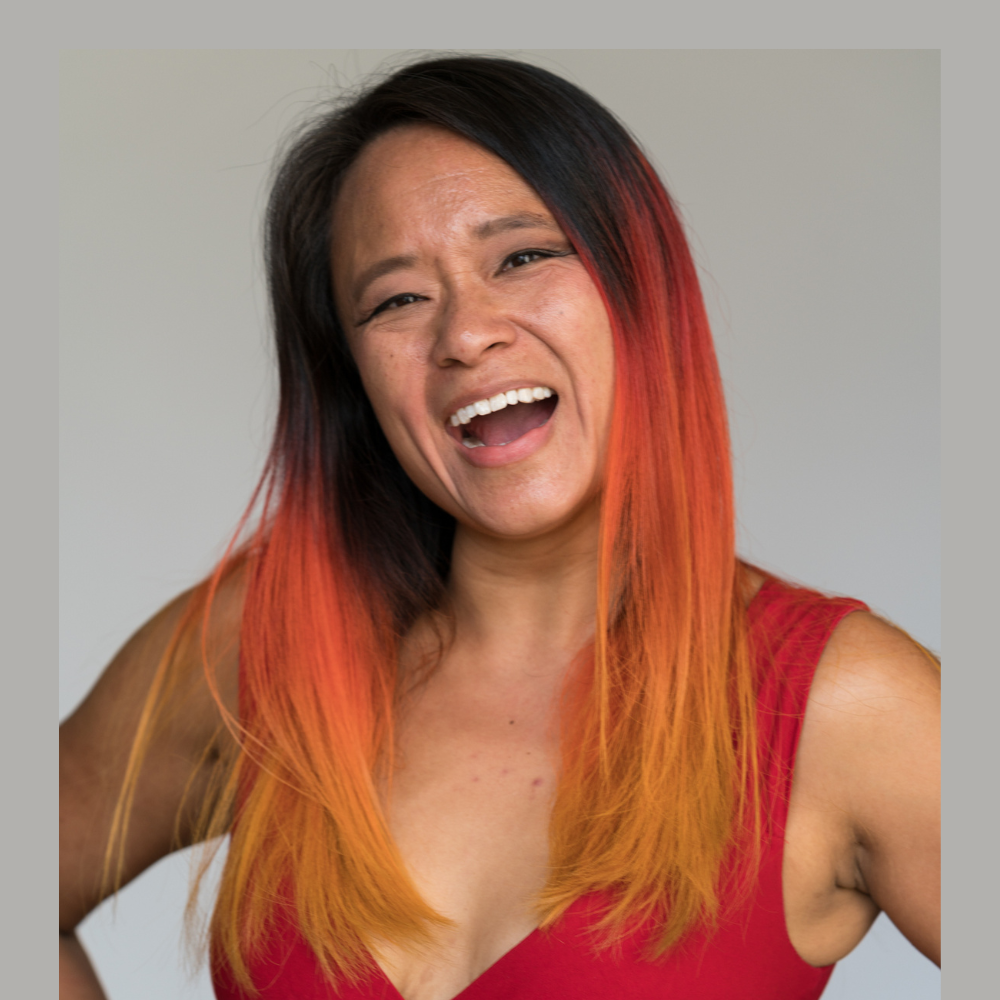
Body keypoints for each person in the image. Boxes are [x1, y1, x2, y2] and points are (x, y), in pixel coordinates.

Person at [59, 56, 940, 1000]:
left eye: (521, 256)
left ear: (641, 285)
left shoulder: (846, 712)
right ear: (352, 376)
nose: (465, 333)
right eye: (396, 299)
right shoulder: (260, 654)